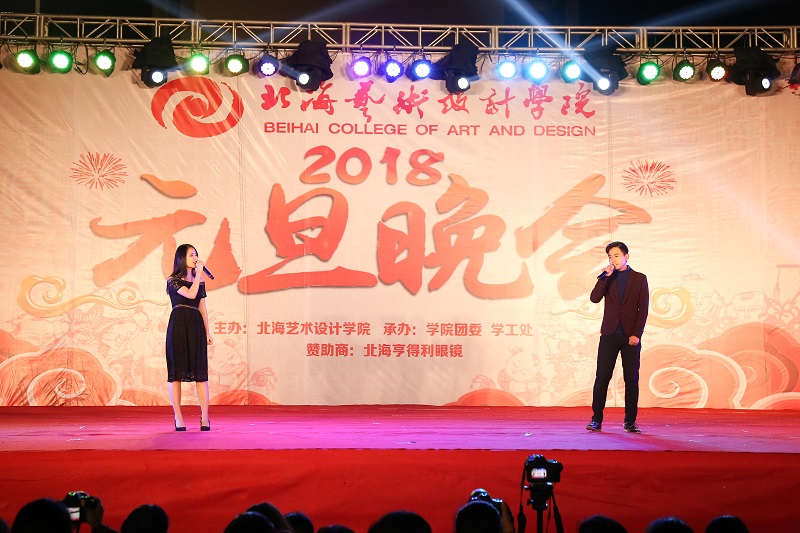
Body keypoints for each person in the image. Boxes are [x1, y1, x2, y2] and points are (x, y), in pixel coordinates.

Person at [586, 241, 649, 434]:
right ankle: (596, 420)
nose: (613, 259)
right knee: (602, 377)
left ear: (626, 257)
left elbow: (643, 309)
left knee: (631, 379)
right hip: (609, 334)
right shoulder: (608, 277)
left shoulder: (639, 278)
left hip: (630, 337)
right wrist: (604, 277)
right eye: (610, 256)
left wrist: (636, 334)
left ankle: (630, 422)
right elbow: (594, 298)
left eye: (616, 255)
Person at [166, 244, 213, 431]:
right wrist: (199, 272)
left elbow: (202, 307)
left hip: (196, 326)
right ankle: (178, 417)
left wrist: (207, 332)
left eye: (196, 255)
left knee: (201, 374)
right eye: (191, 255)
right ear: (181, 258)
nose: (195, 258)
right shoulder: (173, 280)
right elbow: (190, 294)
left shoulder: (200, 280)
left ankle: (205, 417)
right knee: (176, 375)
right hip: (178, 326)